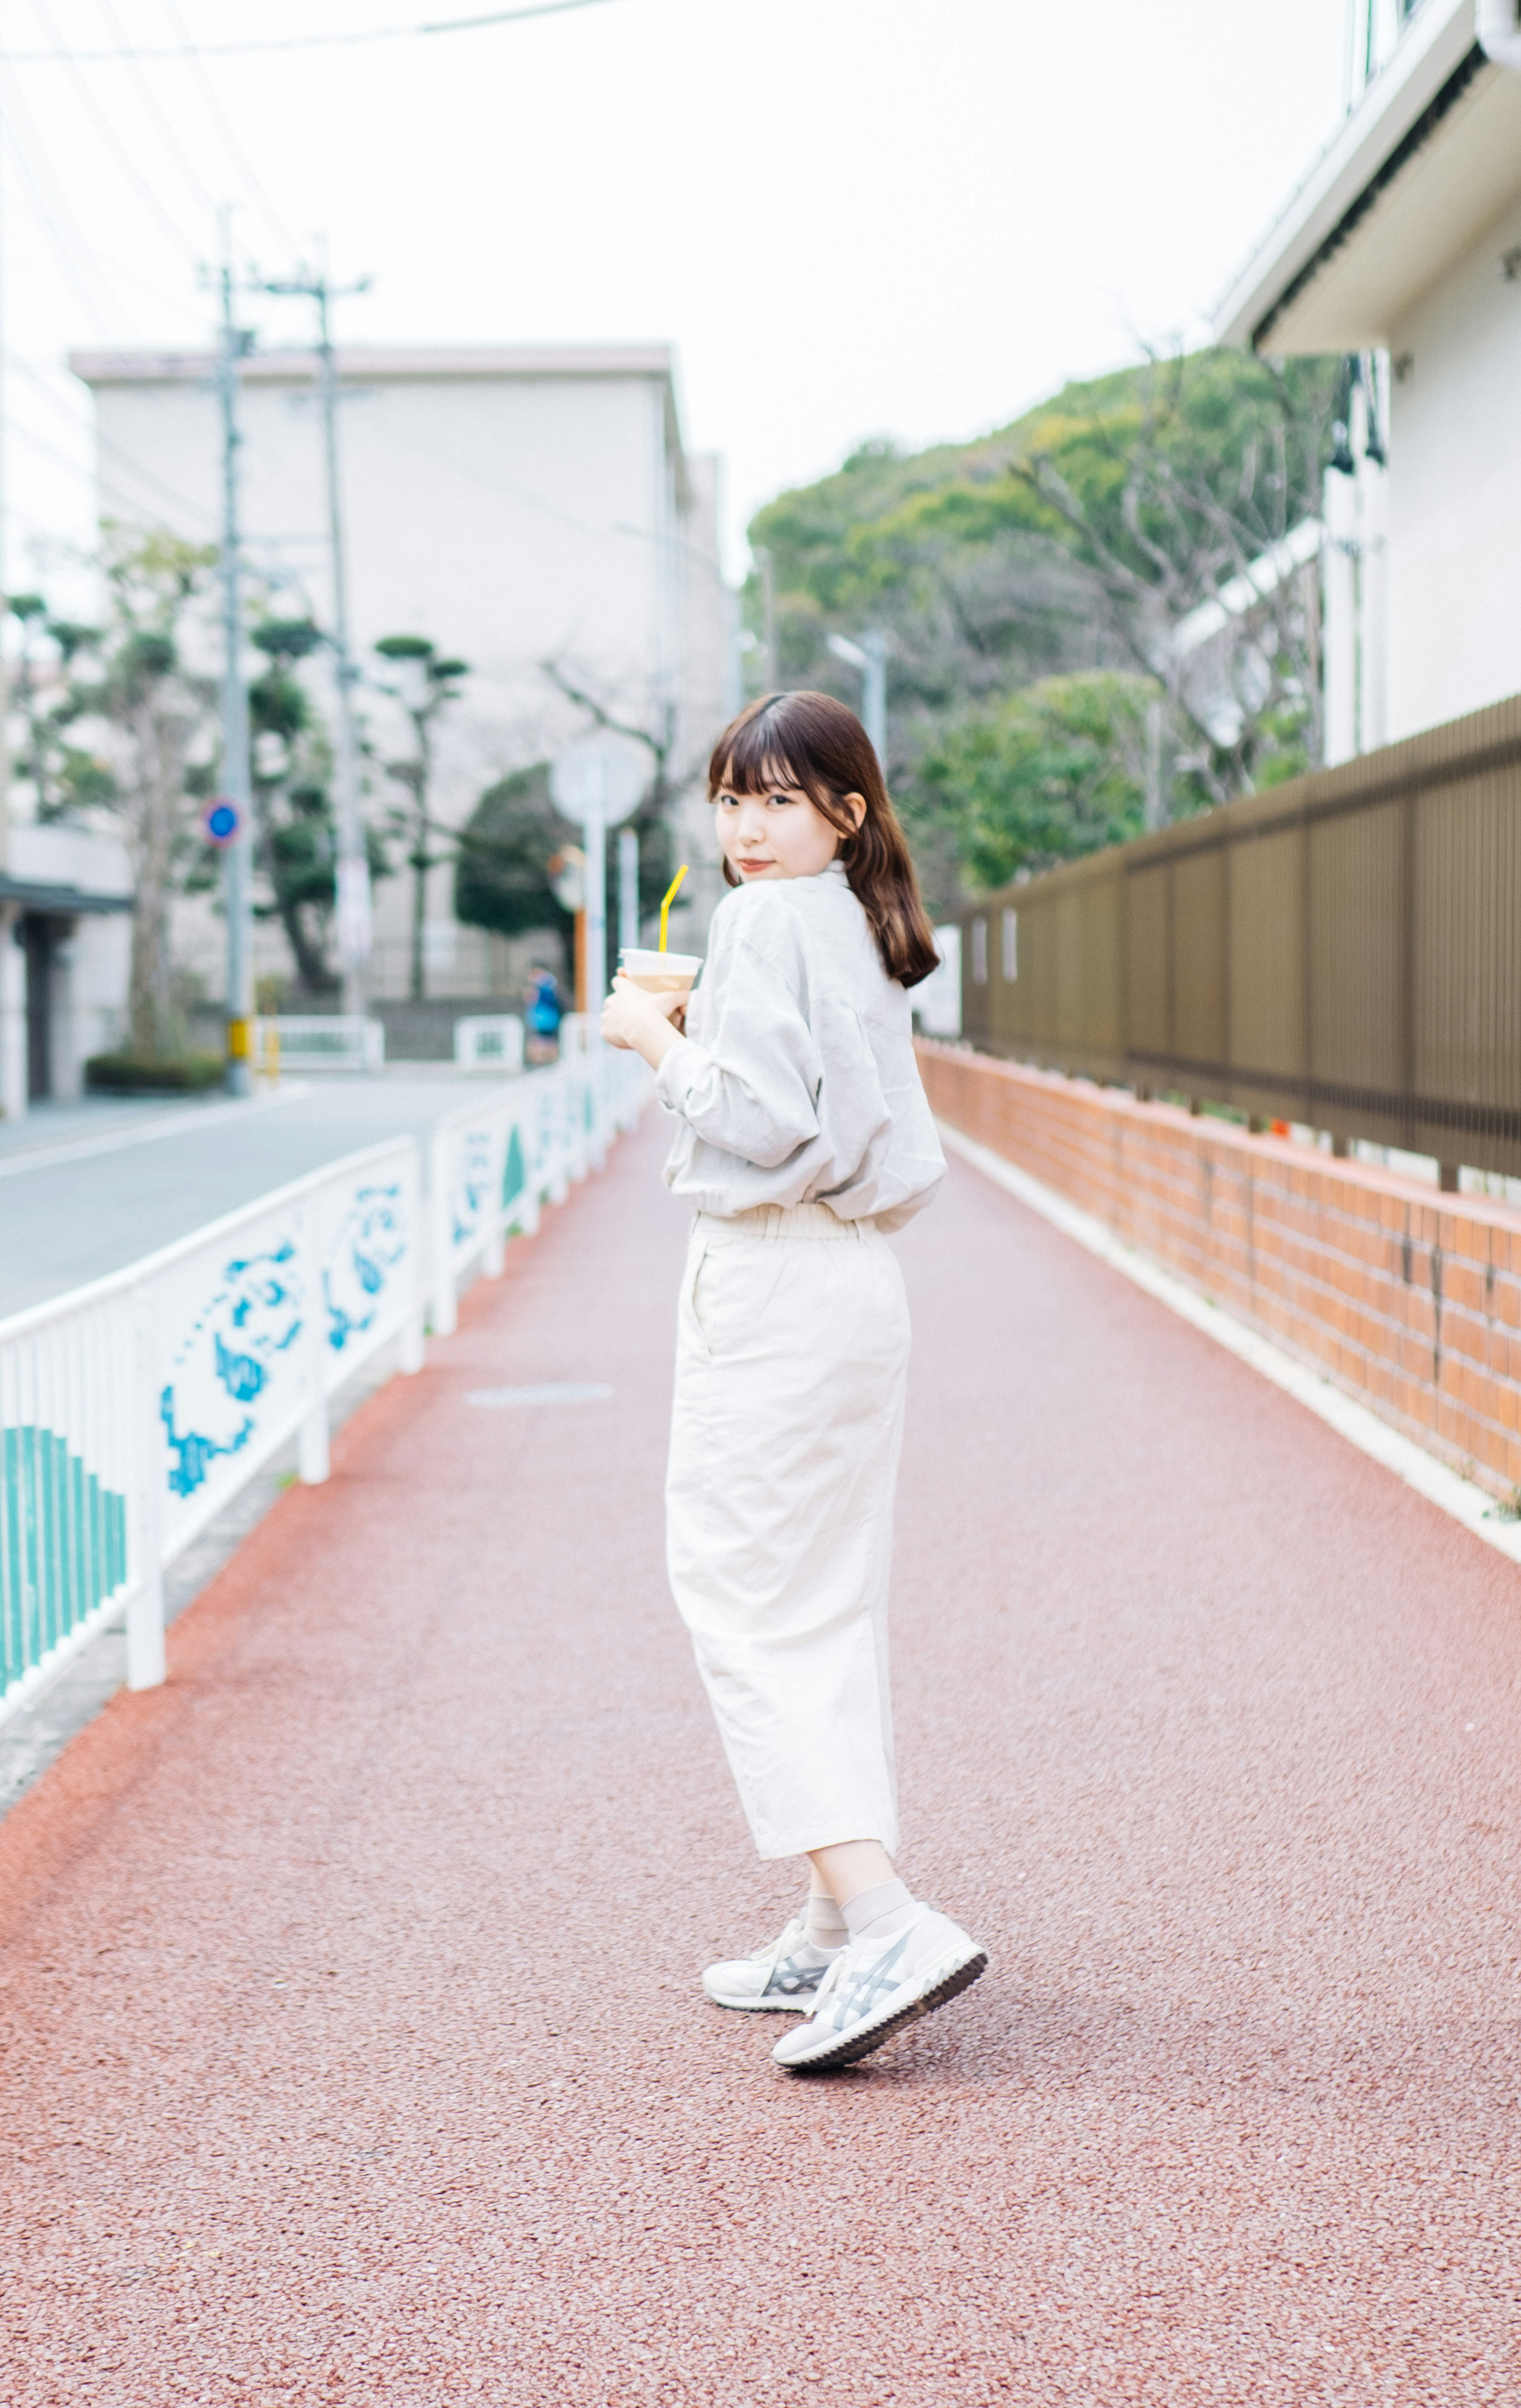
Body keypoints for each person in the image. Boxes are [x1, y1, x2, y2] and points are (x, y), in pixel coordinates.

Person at [600, 689, 987, 2075]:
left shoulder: (763, 919)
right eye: (731, 799)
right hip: (851, 1283)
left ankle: (882, 1918)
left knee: (747, 1601)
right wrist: (710, 1022)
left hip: (771, 1275)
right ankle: (833, 1923)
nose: (745, 829)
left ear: (846, 810)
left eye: (777, 801)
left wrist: (655, 1042)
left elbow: (761, 1119)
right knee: (825, 1597)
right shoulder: (857, 923)